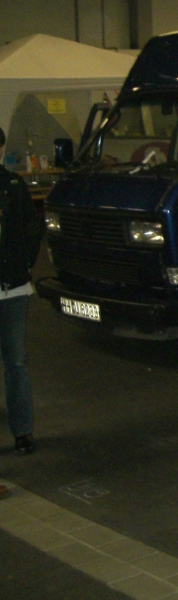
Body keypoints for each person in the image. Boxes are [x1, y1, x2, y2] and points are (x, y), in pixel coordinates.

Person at [0, 126, 42, 458]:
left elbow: (32, 226)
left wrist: (24, 262)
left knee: (16, 361)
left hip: (13, 288)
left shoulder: (13, 185)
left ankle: (22, 431)